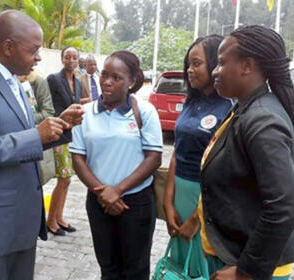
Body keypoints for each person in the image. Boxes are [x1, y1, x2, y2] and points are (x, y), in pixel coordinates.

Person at [0, 10, 84, 280]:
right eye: (34, 49)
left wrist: (59, 126)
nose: (39, 57)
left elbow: (18, 136)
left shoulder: (15, 82)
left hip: (20, 225)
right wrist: (36, 136)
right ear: (8, 47)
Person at [196, 25, 294, 280]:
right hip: (231, 254)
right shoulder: (244, 108)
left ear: (247, 66)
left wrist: (246, 272)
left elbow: (285, 206)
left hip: (249, 267)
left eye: (221, 63)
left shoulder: (263, 119)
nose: (215, 71)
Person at [71, 50, 163, 279]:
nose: (107, 82)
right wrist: (104, 193)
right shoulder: (85, 113)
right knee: (108, 267)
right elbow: (78, 159)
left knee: (136, 269)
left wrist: (118, 190)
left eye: (116, 77)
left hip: (136, 202)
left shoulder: (145, 111)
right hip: (98, 201)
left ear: (131, 82)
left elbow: (154, 157)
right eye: (105, 75)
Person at [162, 34, 233, 276]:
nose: (190, 70)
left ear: (215, 64)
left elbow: (224, 173)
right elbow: (177, 152)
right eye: (188, 64)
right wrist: (168, 200)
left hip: (206, 198)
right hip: (180, 192)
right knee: (181, 262)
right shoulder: (191, 102)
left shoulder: (228, 108)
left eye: (197, 63)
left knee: (202, 264)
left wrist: (195, 218)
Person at [46, 46, 88, 235]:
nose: (71, 60)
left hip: (73, 135)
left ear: (79, 60)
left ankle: (59, 218)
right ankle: (51, 221)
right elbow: (49, 106)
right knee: (63, 179)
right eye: (67, 57)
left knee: (67, 180)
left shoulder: (78, 82)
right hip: (58, 135)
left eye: (74, 57)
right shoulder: (54, 79)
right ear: (62, 59)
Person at [17, 71, 56, 185]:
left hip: (34, 140)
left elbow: (48, 112)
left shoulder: (37, 82)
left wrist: (21, 119)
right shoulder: (5, 82)